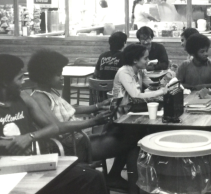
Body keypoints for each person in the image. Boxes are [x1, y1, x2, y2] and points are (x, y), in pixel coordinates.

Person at [0, 54, 109, 194]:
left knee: (92, 177)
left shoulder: (23, 98)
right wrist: (2, 143)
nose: (24, 82)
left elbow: (53, 127)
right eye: (19, 78)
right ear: (4, 82)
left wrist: (30, 136)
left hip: (30, 165)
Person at [28, 49, 135, 191]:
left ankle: (114, 177)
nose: (61, 77)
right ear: (45, 75)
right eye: (58, 74)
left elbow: (70, 109)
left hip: (78, 138)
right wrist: (92, 122)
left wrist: (97, 106)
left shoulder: (50, 92)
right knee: (131, 139)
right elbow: (56, 126)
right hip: (71, 146)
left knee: (124, 131)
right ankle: (117, 179)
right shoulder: (39, 98)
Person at [113, 44, 169, 109]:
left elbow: (151, 85)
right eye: (145, 58)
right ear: (135, 60)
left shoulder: (140, 70)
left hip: (134, 105)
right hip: (123, 110)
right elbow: (136, 95)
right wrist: (162, 91)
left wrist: (164, 82)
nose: (148, 61)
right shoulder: (124, 72)